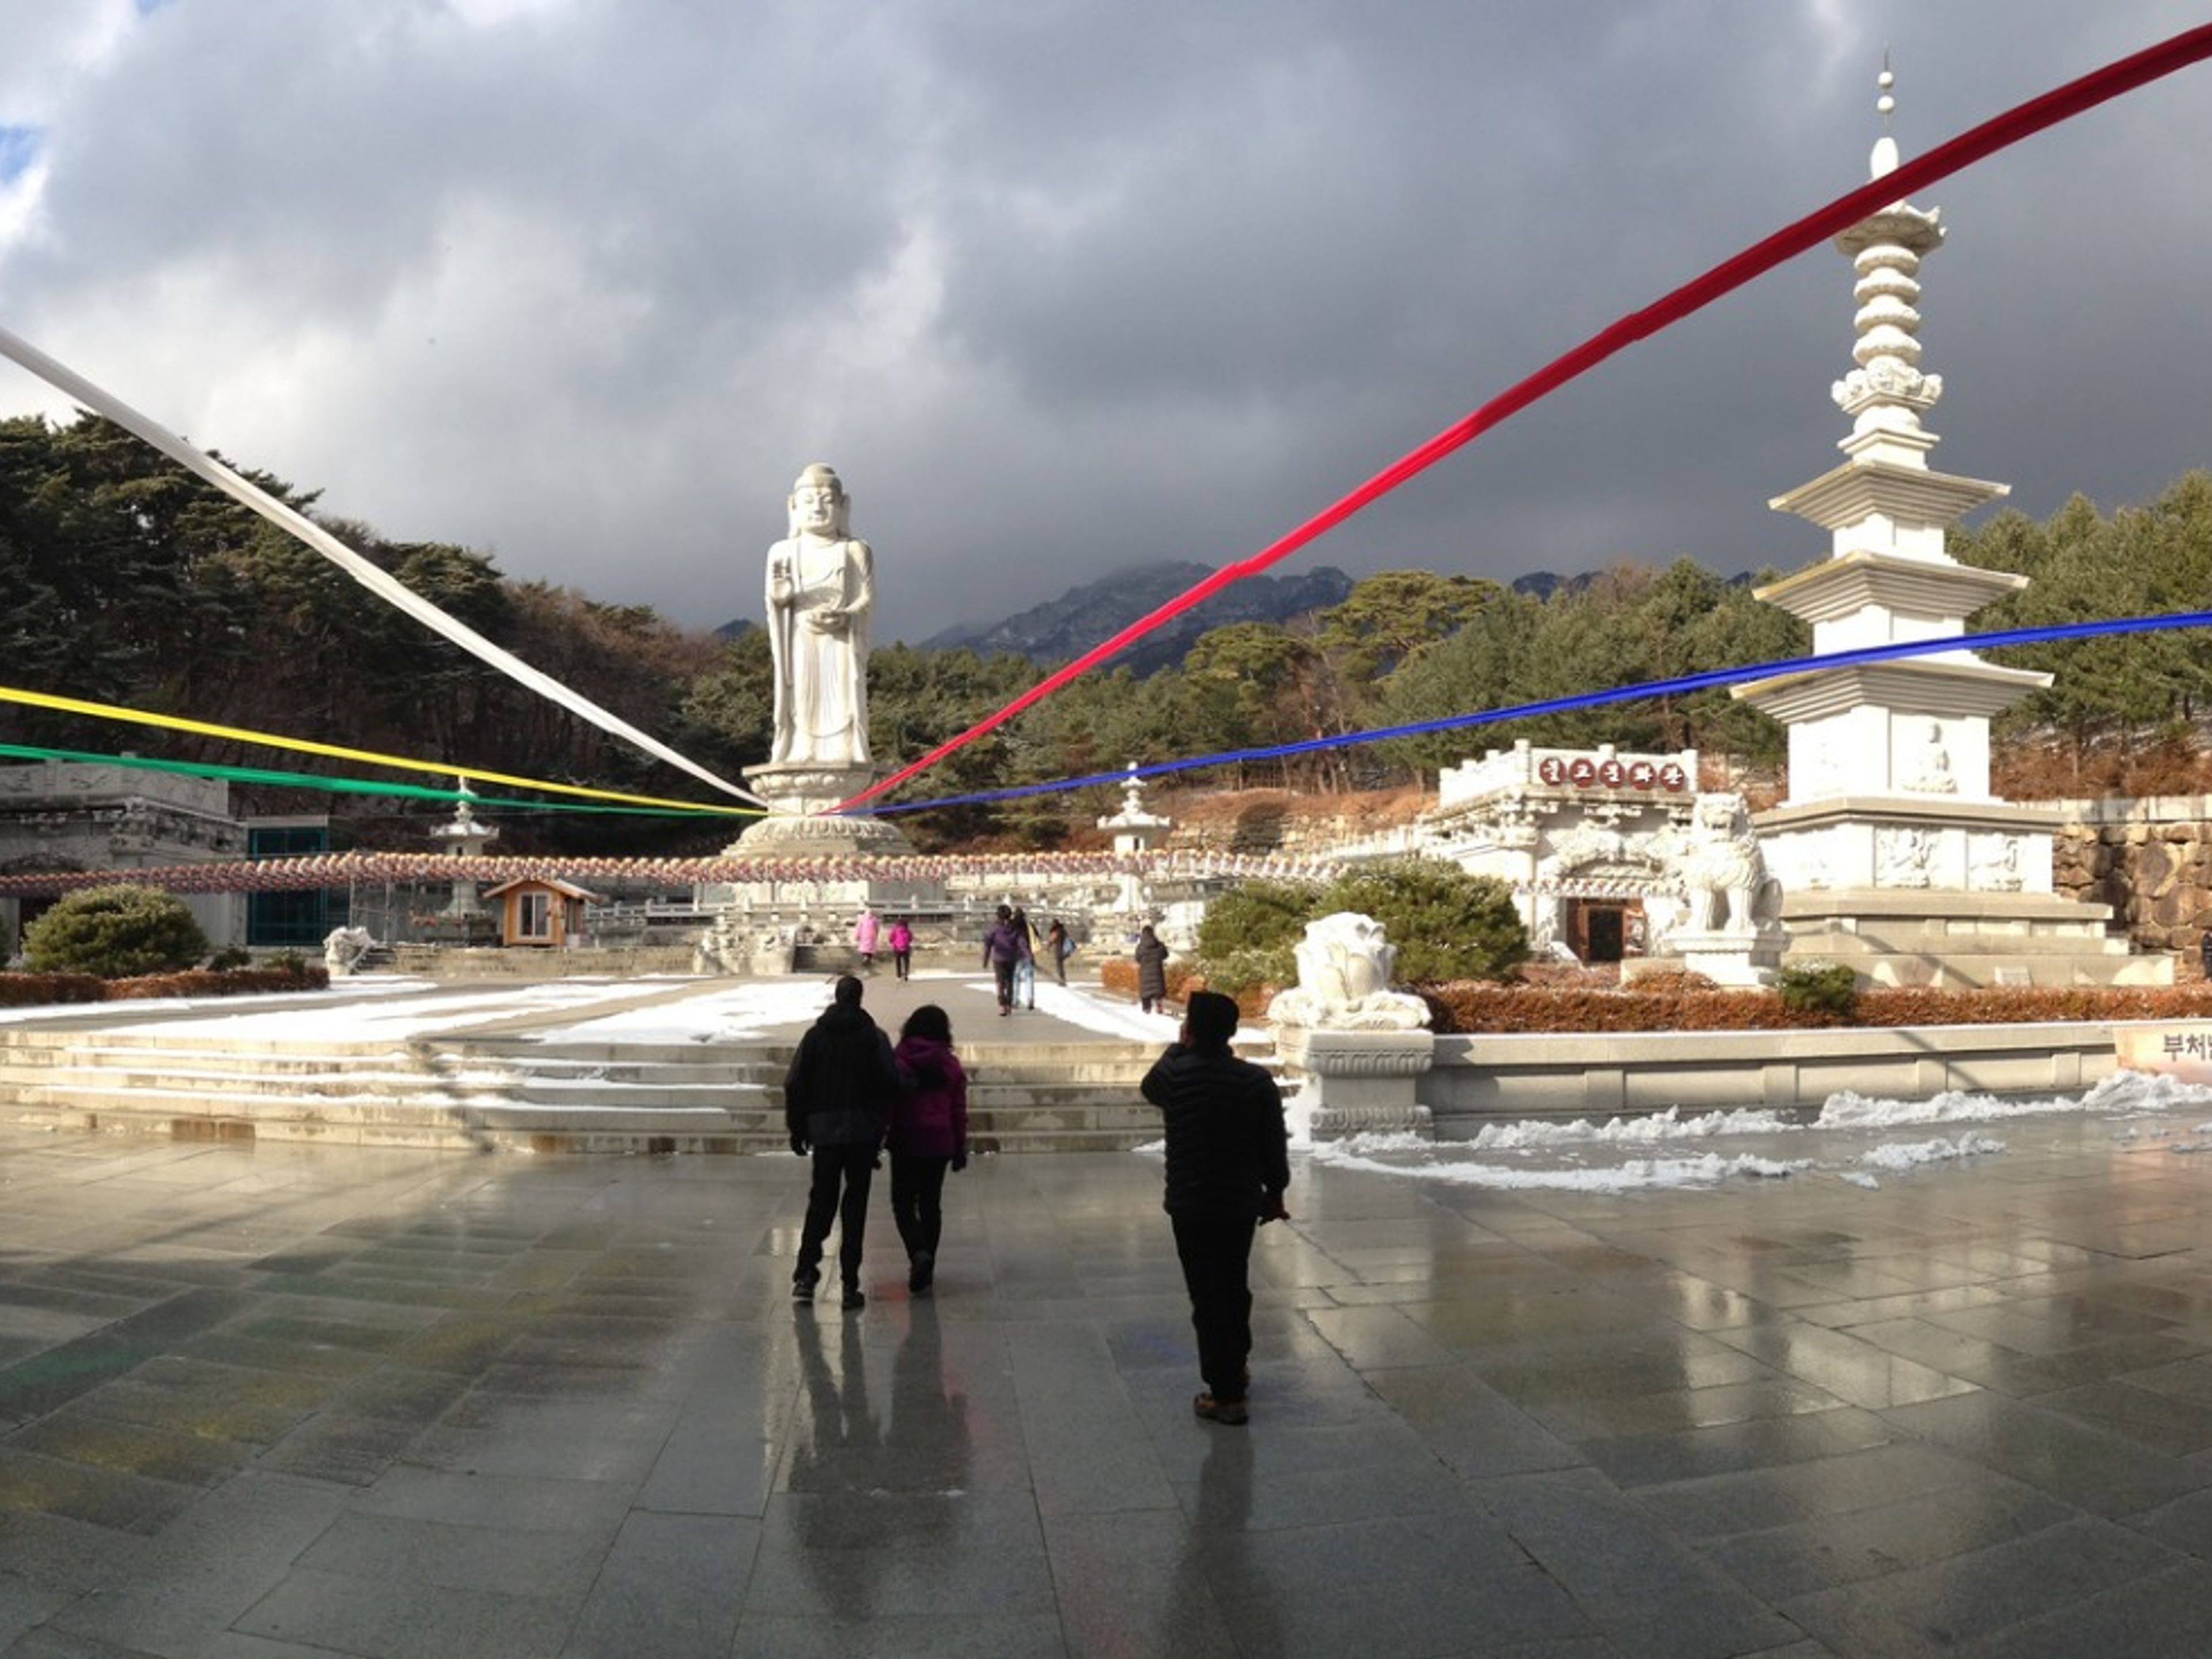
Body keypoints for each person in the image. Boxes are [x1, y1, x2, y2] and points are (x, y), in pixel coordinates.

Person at [1141, 990, 1290, 1427]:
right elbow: (1272, 1146)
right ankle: (1235, 1366)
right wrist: (1276, 1191)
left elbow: (1150, 1087)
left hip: (1190, 1203)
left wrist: (1178, 1045)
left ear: (1190, 1029)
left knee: (1207, 1296)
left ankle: (1225, 1395)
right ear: (1231, 1031)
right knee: (1234, 1286)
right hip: (1239, 1201)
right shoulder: (1255, 1082)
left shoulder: (1175, 1076)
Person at [784, 975, 906, 1309]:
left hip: (824, 1131)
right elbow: (889, 1081)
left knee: (820, 1203)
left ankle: (806, 1275)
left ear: (837, 998)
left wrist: (798, 1128)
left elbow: (795, 1084)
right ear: (859, 999)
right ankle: (850, 1284)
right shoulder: (874, 1037)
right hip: (862, 1132)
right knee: (855, 1209)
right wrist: (882, 1122)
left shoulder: (815, 1037)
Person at [765, 462, 873, 767]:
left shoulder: (855, 550)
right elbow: (775, 601)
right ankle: (802, 747)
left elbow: (866, 598)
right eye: (809, 501)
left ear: (843, 506)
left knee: (842, 693)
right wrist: (781, 596)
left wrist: (847, 615)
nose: (818, 508)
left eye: (827, 501)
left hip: (840, 635)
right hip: (800, 633)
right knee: (802, 692)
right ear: (794, 506)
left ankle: (844, 747)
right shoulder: (782, 551)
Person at [888, 1004, 968, 1297]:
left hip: (907, 1138)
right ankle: (927, 1266)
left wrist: (883, 1134)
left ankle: (917, 1253)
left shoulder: (900, 1058)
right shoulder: (950, 1065)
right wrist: (960, 1145)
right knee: (930, 1204)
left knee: (903, 1203)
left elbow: (891, 1102)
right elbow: (959, 1110)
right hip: (940, 1140)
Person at [982, 904, 1026, 1017]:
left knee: (1000, 983)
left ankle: (1002, 1006)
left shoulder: (994, 929)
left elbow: (988, 944)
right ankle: (1009, 1005)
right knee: (1010, 982)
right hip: (1012, 959)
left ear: (998, 916)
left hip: (999, 959)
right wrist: (1027, 955)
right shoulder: (1015, 928)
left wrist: (986, 959)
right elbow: (1022, 943)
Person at [1134, 923, 1171, 1016]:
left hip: (1145, 975)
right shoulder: (1159, 945)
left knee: (1146, 993)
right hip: (1157, 974)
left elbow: (1137, 959)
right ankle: (1159, 1005)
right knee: (1158, 992)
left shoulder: (1141, 947)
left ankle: (1147, 1009)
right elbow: (1166, 955)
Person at [1010, 906, 1037, 1010]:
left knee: (1015, 978)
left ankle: (1015, 1001)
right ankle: (1030, 1000)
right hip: (1029, 954)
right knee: (1029, 978)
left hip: (1016, 955)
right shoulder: (1029, 925)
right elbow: (1037, 937)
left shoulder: (1011, 925)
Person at [853, 906, 880, 974]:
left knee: (864, 949)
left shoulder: (862, 919)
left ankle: (865, 958)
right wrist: (876, 935)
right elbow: (877, 928)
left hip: (864, 936)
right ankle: (869, 959)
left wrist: (857, 936)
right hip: (872, 936)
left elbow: (858, 928)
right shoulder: (875, 920)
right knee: (870, 949)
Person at [1044, 918, 1071, 986]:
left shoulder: (1056, 932)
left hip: (1059, 950)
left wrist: (1047, 948)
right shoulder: (1063, 931)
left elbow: (1051, 940)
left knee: (1059, 966)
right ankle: (1063, 980)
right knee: (1061, 966)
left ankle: (1062, 981)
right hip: (1065, 951)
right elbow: (1069, 939)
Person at [888, 915, 914, 981]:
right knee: (906, 962)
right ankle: (906, 975)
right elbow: (911, 939)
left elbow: (891, 938)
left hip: (897, 948)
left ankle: (898, 976)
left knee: (898, 963)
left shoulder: (895, 930)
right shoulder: (908, 930)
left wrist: (892, 943)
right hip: (906, 948)